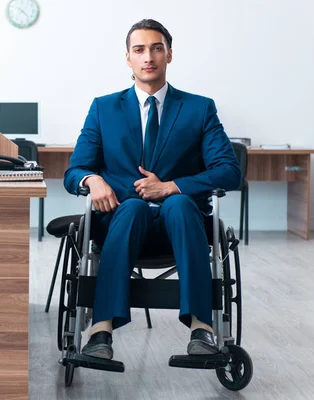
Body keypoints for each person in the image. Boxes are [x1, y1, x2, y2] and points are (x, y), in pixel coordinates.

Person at [63, 18, 241, 360]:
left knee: (180, 204)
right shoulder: (103, 108)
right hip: (121, 223)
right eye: (139, 49)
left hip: (182, 223)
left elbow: (229, 172)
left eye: (156, 48)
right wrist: (91, 179)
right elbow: (75, 170)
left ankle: (202, 328)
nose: (149, 57)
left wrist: (172, 186)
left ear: (169, 55)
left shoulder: (199, 108)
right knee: (131, 208)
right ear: (127, 58)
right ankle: (101, 332)